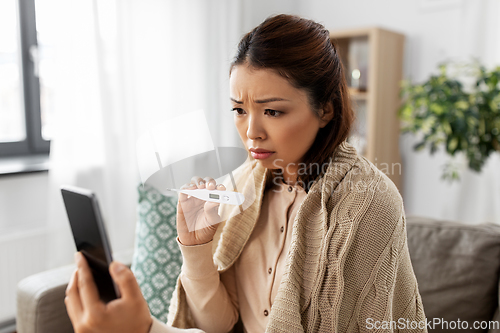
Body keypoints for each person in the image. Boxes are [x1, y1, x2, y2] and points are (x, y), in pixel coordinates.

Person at [65, 14, 427, 333]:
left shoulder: (369, 202)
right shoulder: (242, 186)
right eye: (239, 109)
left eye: (272, 112)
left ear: (326, 110)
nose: (251, 131)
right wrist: (195, 247)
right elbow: (220, 325)